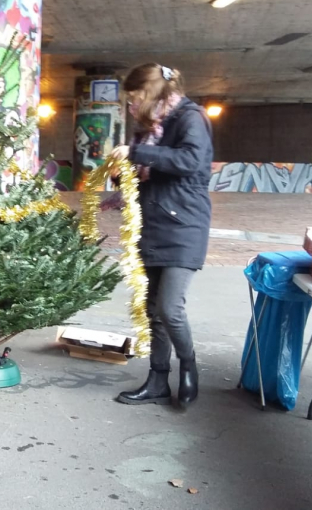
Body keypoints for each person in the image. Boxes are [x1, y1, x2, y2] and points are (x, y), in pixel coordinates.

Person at [108, 63, 213, 409]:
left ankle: (189, 367)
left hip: (184, 225)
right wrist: (120, 173)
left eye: (136, 96)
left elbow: (190, 160)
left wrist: (136, 153)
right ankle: (157, 381)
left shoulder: (190, 117)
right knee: (153, 310)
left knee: (170, 308)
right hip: (152, 224)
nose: (132, 104)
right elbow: (146, 175)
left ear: (152, 91)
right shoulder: (148, 128)